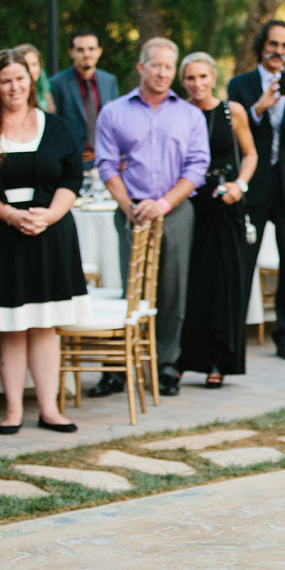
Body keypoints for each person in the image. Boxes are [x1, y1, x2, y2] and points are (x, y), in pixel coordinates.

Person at [0, 49, 90, 435]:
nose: (14, 87)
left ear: (31, 81)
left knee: (44, 325)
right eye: (5, 80)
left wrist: (48, 216)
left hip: (49, 235)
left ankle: (49, 410)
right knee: (12, 325)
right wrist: (12, 215)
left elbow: (71, 180)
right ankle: (12, 411)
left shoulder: (57, 127)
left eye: (20, 78)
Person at [93, 38, 209, 398]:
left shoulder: (190, 115)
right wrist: (129, 206)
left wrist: (163, 204)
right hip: (131, 211)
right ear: (141, 67)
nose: (162, 73)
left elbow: (197, 166)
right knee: (130, 288)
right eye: (155, 65)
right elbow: (106, 164)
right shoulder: (113, 112)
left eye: (168, 67)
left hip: (174, 211)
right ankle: (118, 368)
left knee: (172, 291)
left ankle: (166, 366)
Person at [227, 19, 285, 361]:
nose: (279, 51)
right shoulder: (241, 85)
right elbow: (229, 133)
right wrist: (258, 109)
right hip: (253, 187)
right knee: (242, 261)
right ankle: (233, 332)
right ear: (261, 46)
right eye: (273, 44)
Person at [176, 52, 258, 388]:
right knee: (194, 285)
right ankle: (183, 359)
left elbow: (251, 153)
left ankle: (220, 361)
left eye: (203, 77)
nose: (197, 84)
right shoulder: (176, 113)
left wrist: (240, 185)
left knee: (226, 284)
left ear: (214, 78)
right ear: (183, 82)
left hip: (226, 205)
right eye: (190, 78)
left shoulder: (232, 111)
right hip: (190, 204)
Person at [49, 29, 119, 169]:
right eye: (80, 50)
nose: (86, 54)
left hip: (105, 160)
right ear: (71, 52)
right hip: (71, 162)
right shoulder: (57, 84)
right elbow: (54, 127)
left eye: (91, 49)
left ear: (99, 51)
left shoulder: (109, 81)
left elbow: (115, 121)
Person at [13, 43, 56, 114]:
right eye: (26, 65)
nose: (31, 70)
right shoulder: (16, 95)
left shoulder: (45, 92)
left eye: (34, 64)